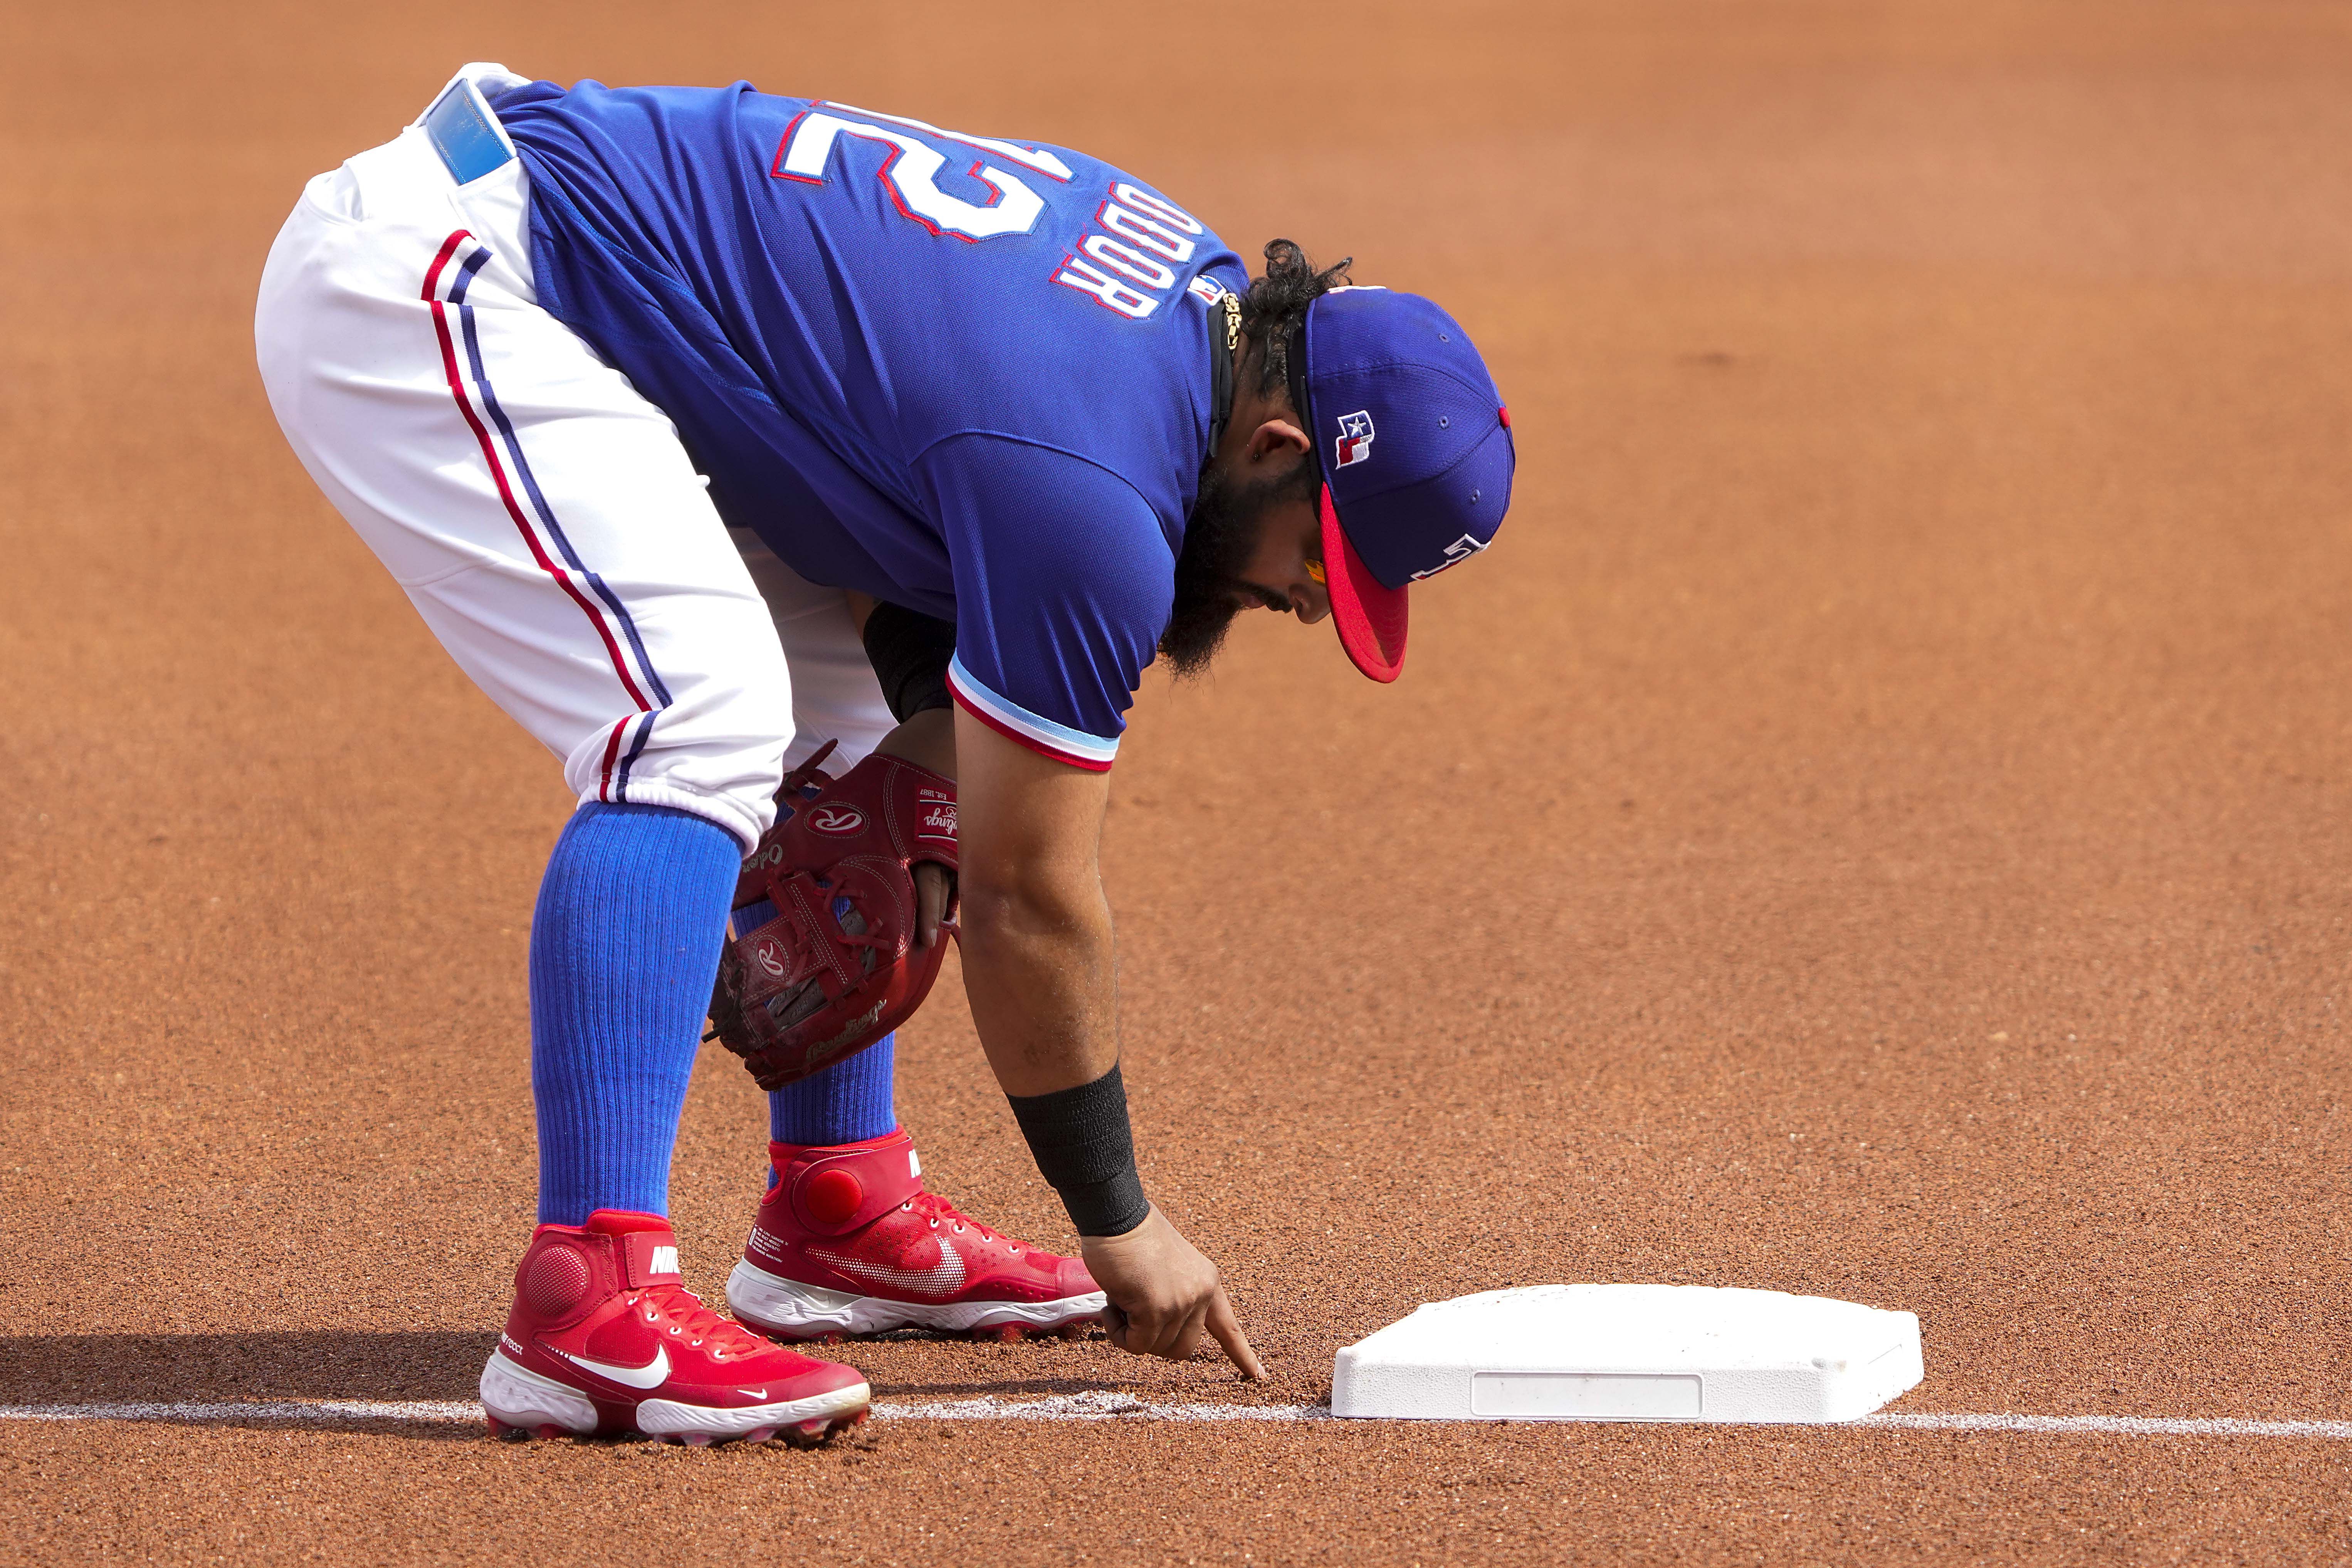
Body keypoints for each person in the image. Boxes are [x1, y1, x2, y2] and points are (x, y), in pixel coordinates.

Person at [254, 63, 1515, 1445]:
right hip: (451, 270)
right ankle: (587, 1305)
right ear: (1279, 445)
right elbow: (1031, 899)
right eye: (1322, 562)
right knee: (696, 719)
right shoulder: (1093, 491)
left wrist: (915, 749)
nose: (1308, 604)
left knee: (865, 736)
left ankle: (835, 1206)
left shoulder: (1187, 316)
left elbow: (884, 460)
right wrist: (1123, 1222)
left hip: (586, 268)